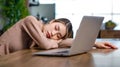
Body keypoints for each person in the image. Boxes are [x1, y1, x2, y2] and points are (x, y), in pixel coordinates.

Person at [0, 16, 117, 56]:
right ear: (52, 21)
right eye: (56, 28)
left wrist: (95, 43)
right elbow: (46, 45)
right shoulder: (30, 21)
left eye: (58, 35)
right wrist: (56, 41)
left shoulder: (44, 39)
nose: (53, 34)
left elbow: (61, 43)